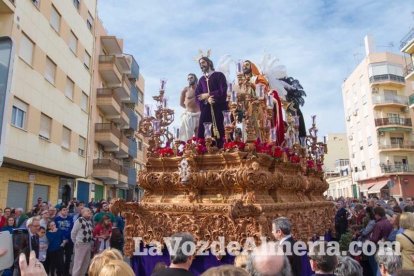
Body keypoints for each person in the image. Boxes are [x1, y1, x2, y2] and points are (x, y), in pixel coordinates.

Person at [195, 56, 228, 148]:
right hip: (206, 108)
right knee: (203, 129)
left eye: (203, 63)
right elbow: (197, 96)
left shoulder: (219, 75)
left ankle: (221, 148)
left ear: (209, 63)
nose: (201, 65)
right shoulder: (201, 80)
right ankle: (203, 149)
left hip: (219, 107)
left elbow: (223, 90)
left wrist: (208, 95)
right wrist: (206, 100)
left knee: (220, 129)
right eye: (200, 64)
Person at [71, 208, 93, 276]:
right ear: (82, 212)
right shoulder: (79, 220)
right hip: (81, 244)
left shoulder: (89, 221)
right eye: (88, 211)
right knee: (78, 264)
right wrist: (76, 242)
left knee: (85, 263)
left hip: (88, 244)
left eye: (90, 211)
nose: (90, 212)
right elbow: (73, 233)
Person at [179, 73, 200, 141]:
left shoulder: (201, 88)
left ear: (195, 78)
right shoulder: (185, 90)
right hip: (189, 115)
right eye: (188, 78)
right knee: (188, 136)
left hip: (199, 114)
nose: (189, 80)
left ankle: (198, 149)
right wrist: (189, 107)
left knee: (199, 134)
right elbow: (181, 103)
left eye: (191, 78)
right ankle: (188, 150)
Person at [54, 207, 73, 276]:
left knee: (68, 258)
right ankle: (59, 272)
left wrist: (67, 238)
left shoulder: (70, 218)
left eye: (67, 210)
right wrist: (63, 238)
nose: (66, 211)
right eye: (64, 210)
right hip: (60, 241)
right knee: (60, 258)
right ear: (60, 211)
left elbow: (72, 229)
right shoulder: (56, 219)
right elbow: (56, 230)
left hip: (69, 240)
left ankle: (66, 272)